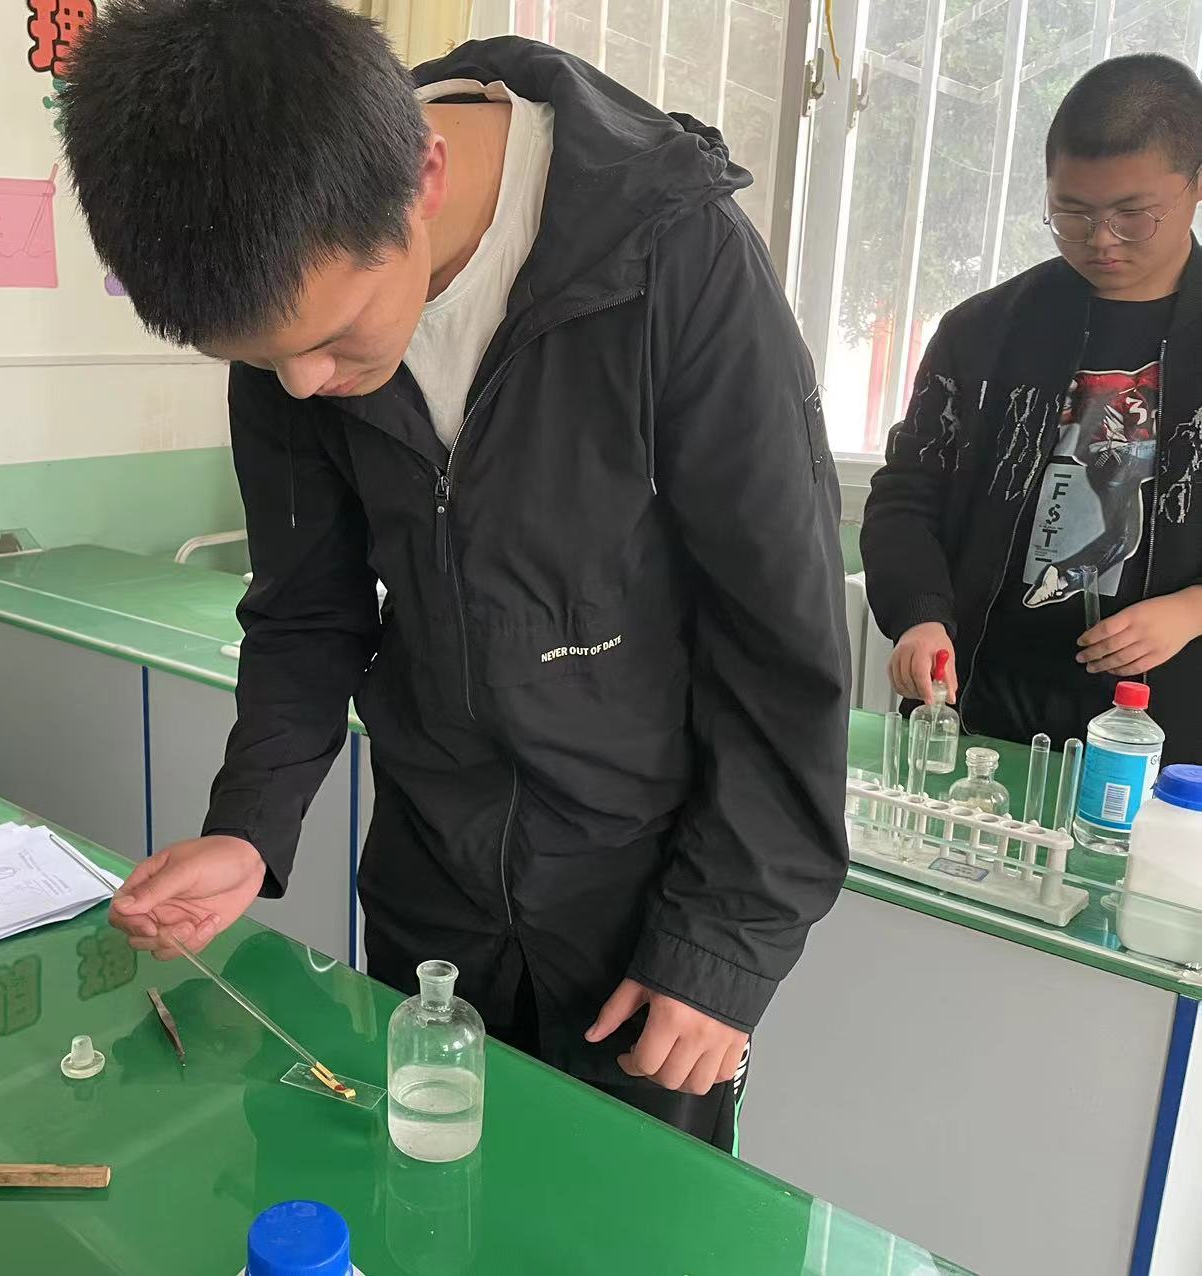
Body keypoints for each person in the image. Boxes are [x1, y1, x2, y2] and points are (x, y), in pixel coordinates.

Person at [55, 0, 850, 1151]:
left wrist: (723, 943)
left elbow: (778, 633)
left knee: (625, 1212)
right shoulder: (287, 291)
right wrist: (249, 826)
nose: (303, 385)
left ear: (423, 176)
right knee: (424, 1193)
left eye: (330, 339)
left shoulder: (670, 255)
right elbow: (307, 608)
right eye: (263, 362)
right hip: (432, 885)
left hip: (645, 912)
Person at [863, 54, 1202, 764]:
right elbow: (907, 493)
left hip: (1161, 724)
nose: (1100, 239)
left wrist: (1190, 611)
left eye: (1132, 215)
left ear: (1195, 185)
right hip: (974, 699)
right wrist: (920, 616)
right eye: (1071, 212)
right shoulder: (984, 331)